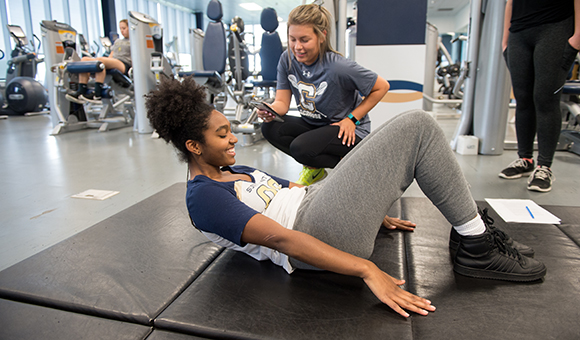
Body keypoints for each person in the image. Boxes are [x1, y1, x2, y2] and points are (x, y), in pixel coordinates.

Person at [145, 77, 546, 318]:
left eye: (229, 130)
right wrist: (367, 271)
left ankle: (475, 234)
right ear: (194, 146)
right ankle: (475, 245)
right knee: (418, 126)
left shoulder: (236, 172)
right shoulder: (204, 197)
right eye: (221, 135)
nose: (233, 138)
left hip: (318, 209)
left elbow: (295, 190)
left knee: (403, 141)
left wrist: (368, 201)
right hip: (311, 232)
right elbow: (282, 239)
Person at [257, 4, 390, 186]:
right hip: (315, 125)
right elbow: (281, 102)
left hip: (347, 131)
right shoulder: (286, 59)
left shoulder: (338, 67)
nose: (297, 47)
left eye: (304, 39)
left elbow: (381, 87)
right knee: (270, 128)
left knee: (301, 148)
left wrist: (352, 119)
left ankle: (357, 165)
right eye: (292, 39)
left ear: (322, 36)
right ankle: (317, 169)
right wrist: (270, 110)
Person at [499, 0, 579, 192]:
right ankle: (525, 159)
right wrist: (505, 42)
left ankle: (544, 167)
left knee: (545, 99)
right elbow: (510, 2)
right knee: (522, 98)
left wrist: (577, 38)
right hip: (519, 32)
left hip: (555, 26)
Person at [66, 19, 132, 104]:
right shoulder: (118, 41)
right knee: (84, 60)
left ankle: (97, 94)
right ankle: (81, 91)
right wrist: (108, 61)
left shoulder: (134, 41)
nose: (122, 31)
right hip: (113, 61)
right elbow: (111, 55)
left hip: (123, 64)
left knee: (100, 61)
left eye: (124, 28)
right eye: (120, 29)